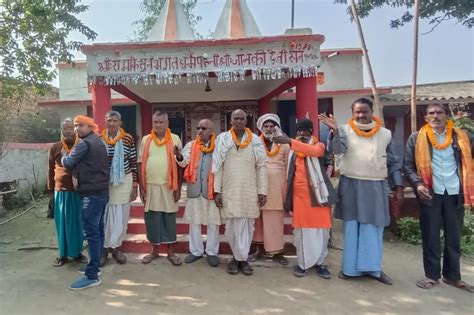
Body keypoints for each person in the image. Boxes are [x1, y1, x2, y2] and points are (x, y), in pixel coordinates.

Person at [321, 97, 404, 285]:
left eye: (364, 111)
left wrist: (398, 187)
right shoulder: (344, 130)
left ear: (371, 111)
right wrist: (334, 131)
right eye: (357, 112)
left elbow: (393, 162)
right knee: (352, 227)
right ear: (352, 113)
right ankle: (350, 270)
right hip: (351, 184)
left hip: (375, 185)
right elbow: (336, 151)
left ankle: (374, 270)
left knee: (373, 227)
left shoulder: (385, 134)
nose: (361, 115)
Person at [403, 103, 474, 293]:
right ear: (426, 118)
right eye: (431, 113)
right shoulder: (417, 138)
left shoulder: (461, 137)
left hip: (454, 193)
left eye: (439, 113)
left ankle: (453, 277)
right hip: (430, 193)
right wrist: (418, 184)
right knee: (431, 235)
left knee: (454, 237)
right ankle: (431, 276)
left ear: (446, 116)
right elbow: (408, 166)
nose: (435, 116)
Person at [273, 119, 337, 278]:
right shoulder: (292, 149)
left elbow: (315, 152)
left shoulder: (319, 145)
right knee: (303, 233)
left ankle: (320, 263)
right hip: (300, 197)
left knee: (321, 232)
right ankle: (303, 264)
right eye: (299, 131)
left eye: (305, 131)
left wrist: (290, 141)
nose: (301, 134)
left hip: (318, 195)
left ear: (311, 131)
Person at [213, 109, 267, 276]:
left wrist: (262, 191)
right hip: (229, 189)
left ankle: (242, 260)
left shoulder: (256, 141)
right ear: (231, 121)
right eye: (235, 118)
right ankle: (236, 258)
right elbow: (217, 167)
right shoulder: (223, 139)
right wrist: (217, 191)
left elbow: (261, 167)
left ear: (246, 121)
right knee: (231, 228)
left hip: (249, 190)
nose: (238, 121)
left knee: (247, 227)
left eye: (242, 119)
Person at [62, 115, 109, 290]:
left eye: (80, 125)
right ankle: (95, 266)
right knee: (98, 230)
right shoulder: (98, 141)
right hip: (101, 192)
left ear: (90, 126)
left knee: (92, 233)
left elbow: (68, 162)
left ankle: (92, 275)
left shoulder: (83, 144)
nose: (76, 129)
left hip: (91, 194)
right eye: (75, 126)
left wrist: (64, 156)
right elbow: (87, 164)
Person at [138, 111, 183, 266]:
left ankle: (170, 251)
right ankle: (154, 250)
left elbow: (180, 164)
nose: (158, 125)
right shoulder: (146, 139)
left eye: (161, 122)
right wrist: (141, 188)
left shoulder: (175, 138)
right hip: (150, 185)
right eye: (155, 122)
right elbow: (139, 164)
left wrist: (178, 188)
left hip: (169, 186)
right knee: (152, 218)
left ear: (167, 123)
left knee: (168, 217)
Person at [175, 119, 221, 267]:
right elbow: (183, 162)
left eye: (204, 128)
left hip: (212, 189)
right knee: (194, 221)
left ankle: (212, 252)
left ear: (211, 131)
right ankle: (196, 251)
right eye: (198, 128)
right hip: (195, 188)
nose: (200, 131)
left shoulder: (218, 146)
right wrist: (179, 156)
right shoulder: (191, 145)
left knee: (213, 222)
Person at [248, 114, 290, 266]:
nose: (269, 129)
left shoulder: (285, 144)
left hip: (277, 188)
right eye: (266, 126)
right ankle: (259, 250)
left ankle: (278, 252)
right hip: (258, 187)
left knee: (275, 222)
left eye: (272, 126)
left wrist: (286, 191)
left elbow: (288, 168)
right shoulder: (254, 143)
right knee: (258, 221)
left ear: (277, 127)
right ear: (261, 128)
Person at [100, 110, 138, 266]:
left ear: (120, 123)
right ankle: (104, 250)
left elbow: (134, 161)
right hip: (105, 182)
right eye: (109, 120)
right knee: (106, 217)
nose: (112, 123)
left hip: (124, 181)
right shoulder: (98, 139)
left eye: (115, 121)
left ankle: (117, 248)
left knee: (121, 217)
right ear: (105, 122)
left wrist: (135, 185)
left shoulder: (128, 139)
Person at [48, 118, 86, 267]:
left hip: (78, 191)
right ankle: (62, 254)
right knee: (62, 224)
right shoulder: (56, 147)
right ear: (62, 131)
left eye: (71, 128)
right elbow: (50, 169)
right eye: (65, 129)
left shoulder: (81, 146)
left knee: (77, 224)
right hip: (61, 192)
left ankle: (77, 253)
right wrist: (51, 191)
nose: (69, 131)